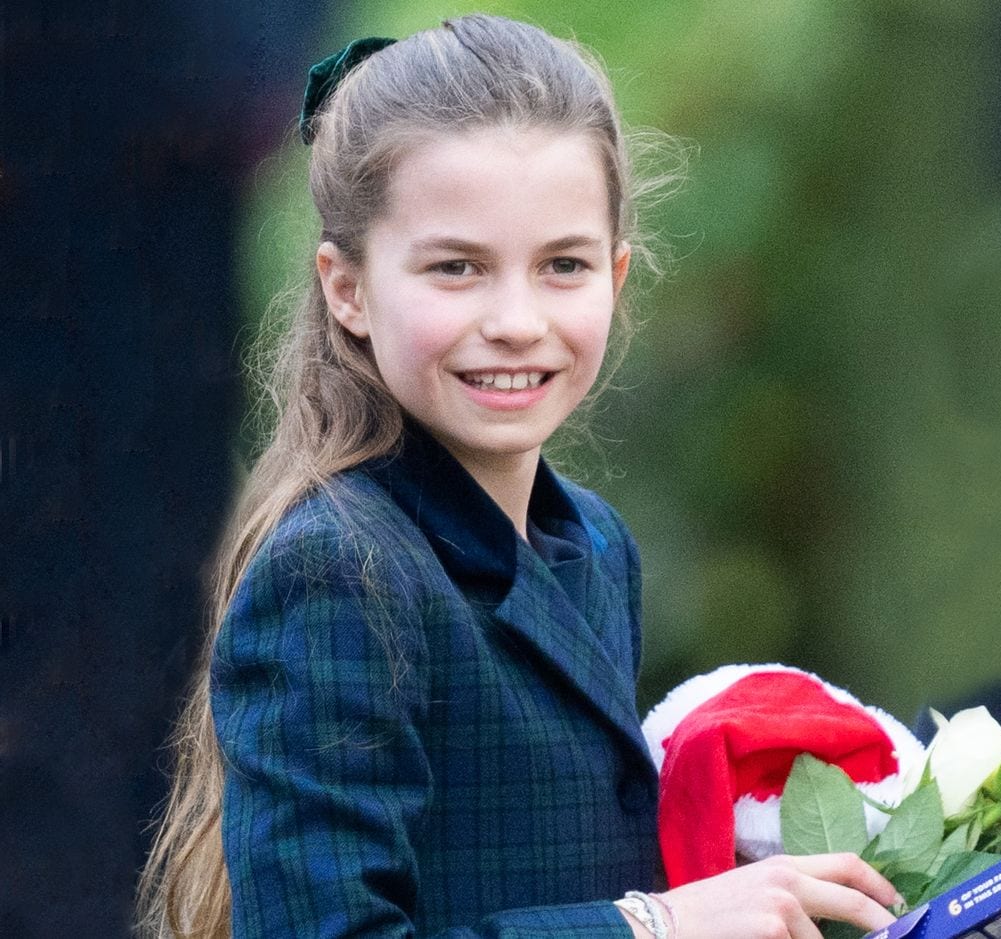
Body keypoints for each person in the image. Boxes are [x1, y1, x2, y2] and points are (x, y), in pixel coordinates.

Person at [136, 14, 899, 939]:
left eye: (562, 266)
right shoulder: (334, 568)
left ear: (617, 276)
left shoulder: (595, 541)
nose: (515, 319)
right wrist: (654, 924)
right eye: (457, 267)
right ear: (347, 288)